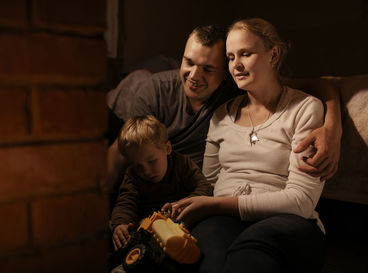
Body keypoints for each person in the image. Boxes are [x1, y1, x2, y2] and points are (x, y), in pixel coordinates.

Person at [164, 18, 328, 273]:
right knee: (209, 252)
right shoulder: (220, 115)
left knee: (251, 251)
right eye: (230, 57)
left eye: (245, 54)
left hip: (289, 223)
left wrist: (216, 204)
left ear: (273, 55)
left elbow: (301, 201)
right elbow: (208, 185)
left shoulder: (304, 109)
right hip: (223, 219)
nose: (235, 65)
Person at [103, 24, 342, 197]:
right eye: (189, 63)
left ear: (225, 73)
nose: (194, 76)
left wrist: (332, 129)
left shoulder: (234, 94)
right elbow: (122, 150)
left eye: (208, 69)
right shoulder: (156, 89)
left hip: (187, 190)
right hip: (145, 185)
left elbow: (319, 84)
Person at [110, 115, 212, 253]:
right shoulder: (132, 176)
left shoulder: (182, 164)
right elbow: (125, 202)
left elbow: (204, 187)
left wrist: (182, 204)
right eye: (137, 166)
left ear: (167, 148)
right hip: (148, 229)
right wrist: (120, 224)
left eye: (151, 161)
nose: (145, 171)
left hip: (182, 223)